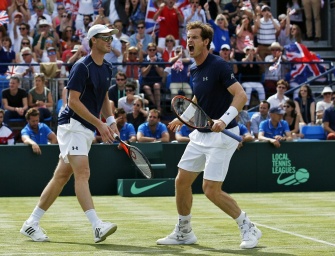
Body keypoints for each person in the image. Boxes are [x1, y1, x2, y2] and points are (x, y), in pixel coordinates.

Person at [156, 21, 261, 249]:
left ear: (205, 42)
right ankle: (184, 231)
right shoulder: (193, 68)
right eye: (188, 37)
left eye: (194, 37)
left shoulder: (219, 66)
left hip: (223, 137)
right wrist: (183, 116)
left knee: (210, 190)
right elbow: (198, 98)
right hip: (200, 135)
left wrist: (224, 119)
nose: (189, 41)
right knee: (182, 181)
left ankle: (248, 227)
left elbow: (241, 95)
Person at [20, 24, 120, 243]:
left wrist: (110, 121)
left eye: (111, 38)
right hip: (72, 125)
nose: (109, 41)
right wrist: (100, 124)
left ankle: (31, 223)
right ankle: (96, 226)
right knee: (82, 173)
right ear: (94, 40)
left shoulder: (108, 67)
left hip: (86, 128)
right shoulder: (81, 67)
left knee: (61, 176)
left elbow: (103, 97)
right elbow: (72, 101)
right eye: (105, 37)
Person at [140, 43, 165, 111]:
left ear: (156, 50)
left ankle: (157, 107)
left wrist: (155, 64)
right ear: (147, 50)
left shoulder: (160, 60)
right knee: (146, 88)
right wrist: (150, 64)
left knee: (156, 86)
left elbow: (161, 74)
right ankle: (157, 107)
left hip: (157, 81)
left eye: (153, 50)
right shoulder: (144, 61)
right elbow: (144, 74)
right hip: (147, 82)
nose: (152, 51)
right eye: (150, 50)